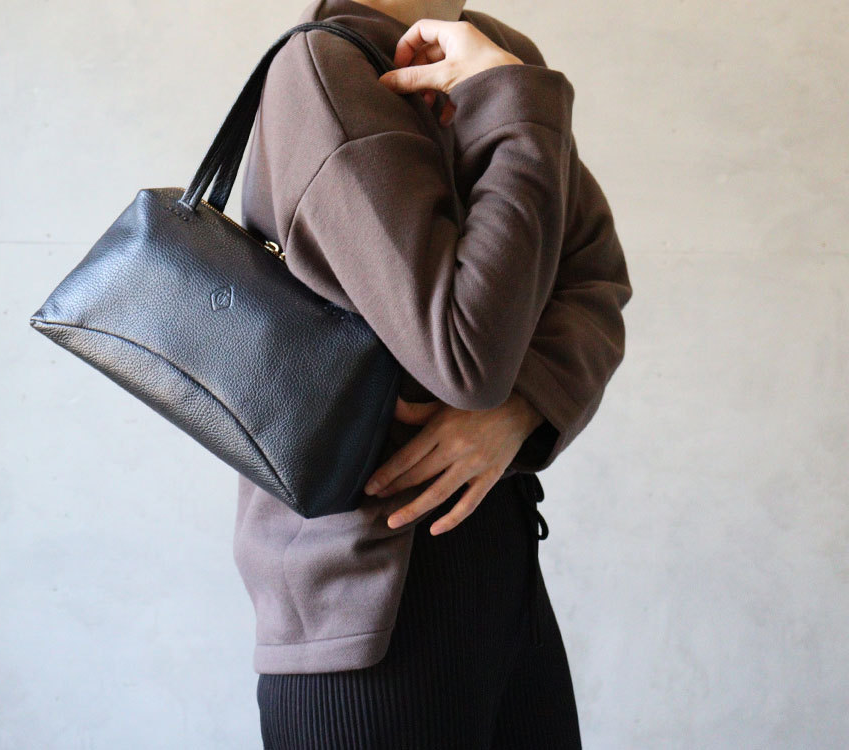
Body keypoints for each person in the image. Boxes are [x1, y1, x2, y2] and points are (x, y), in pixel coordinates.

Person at [233, 0, 633, 747]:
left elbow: (595, 280)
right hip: (366, 603)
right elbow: (464, 356)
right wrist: (512, 104)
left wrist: (523, 407)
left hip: (503, 561)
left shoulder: (497, 52)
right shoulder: (324, 69)